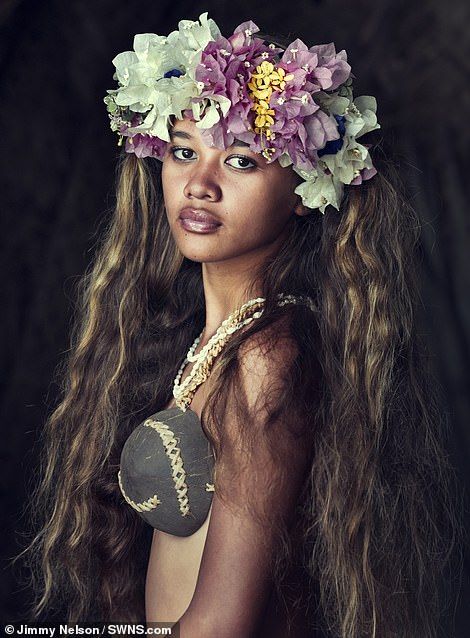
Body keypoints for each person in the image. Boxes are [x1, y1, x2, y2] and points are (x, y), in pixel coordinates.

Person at [16, 12, 462, 638]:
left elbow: (222, 625)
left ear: (305, 188)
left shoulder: (267, 359)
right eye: (182, 152)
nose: (200, 185)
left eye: (242, 162)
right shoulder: (212, 344)